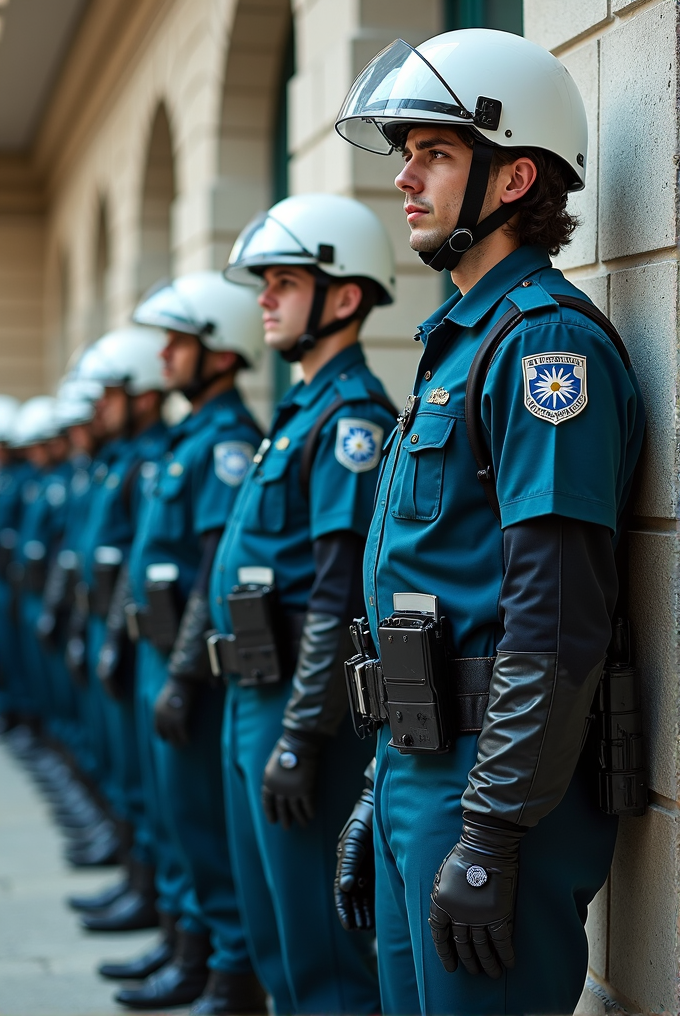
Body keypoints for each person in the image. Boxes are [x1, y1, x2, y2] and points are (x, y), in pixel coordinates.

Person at [333, 28, 646, 1016]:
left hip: (486, 786)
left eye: (433, 152)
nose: (404, 180)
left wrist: (493, 829)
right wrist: (383, 782)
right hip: (421, 769)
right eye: (405, 155)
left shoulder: (543, 345)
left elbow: (553, 622)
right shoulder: (460, 345)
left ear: (511, 178)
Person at [211, 192, 397, 1014]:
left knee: (324, 959)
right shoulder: (298, 413)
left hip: (298, 701)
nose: (265, 299)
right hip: (255, 692)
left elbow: (336, 594)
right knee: (276, 938)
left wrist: (301, 733)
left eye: (283, 282)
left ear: (344, 296)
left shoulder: (351, 418)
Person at [109, 272, 267, 1015]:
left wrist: (181, 672)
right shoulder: (191, 439)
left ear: (222, 351)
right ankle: (185, 945)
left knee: (202, 824)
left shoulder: (228, 444)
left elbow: (214, 568)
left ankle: (226, 972)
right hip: (159, 651)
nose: (164, 356)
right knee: (176, 815)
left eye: (179, 341)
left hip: (189, 662)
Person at [64, 327, 167, 889]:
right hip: (115, 621)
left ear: (143, 396)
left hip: (149, 635)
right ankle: (141, 878)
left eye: (109, 396)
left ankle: (166, 908)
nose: (97, 411)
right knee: (128, 767)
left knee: (157, 787)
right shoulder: (126, 461)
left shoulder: (157, 458)